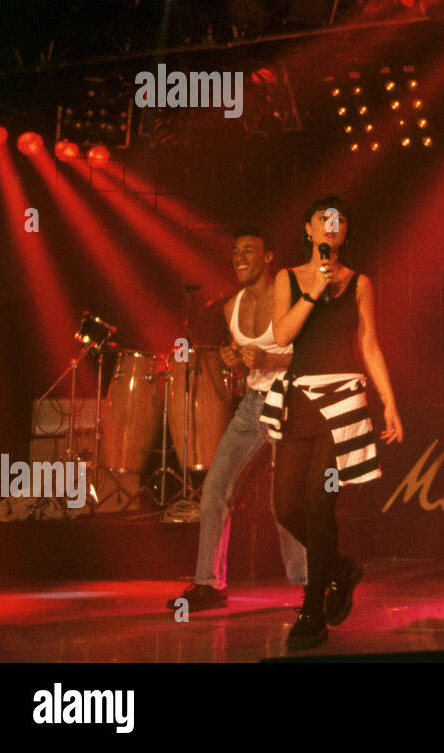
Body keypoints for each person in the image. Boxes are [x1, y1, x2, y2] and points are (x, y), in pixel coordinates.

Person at [262, 196, 403, 649]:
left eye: (340, 220)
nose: (331, 226)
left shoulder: (360, 282)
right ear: (308, 229)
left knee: (319, 504)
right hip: (301, 398)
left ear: (345, 232)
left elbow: (370, 344)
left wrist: (389, 403)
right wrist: (314, 292)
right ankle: (340, 568)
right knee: (286, 506)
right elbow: (282, 335)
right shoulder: (288, 278)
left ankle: (313, 608)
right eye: (323, 220)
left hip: (342, 403)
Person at [169, 228, 307, 612]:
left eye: (249, 250)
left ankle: (309, 584)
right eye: (235, 252)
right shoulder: (232, 307)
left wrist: (270, 361)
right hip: (251, 405)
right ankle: (208, 585)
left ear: (268, 257)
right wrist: (232, 358)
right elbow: (240, 355)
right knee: (214, 488)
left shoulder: (290, 297)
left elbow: (313, 356)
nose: (239, 257)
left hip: (290, 402)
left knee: (286, 500)